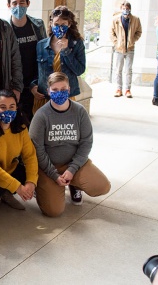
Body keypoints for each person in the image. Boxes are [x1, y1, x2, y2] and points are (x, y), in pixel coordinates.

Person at [29, 72, 111, 217]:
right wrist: (54, 175)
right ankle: (44, 188)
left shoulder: (79, 111)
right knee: (53, 211)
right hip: (49, 167)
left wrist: (72, 169)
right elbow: (37, 150)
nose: (59, 93)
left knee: (102, 187)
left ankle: (74, 184)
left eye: (63, 89)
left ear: (69, 89)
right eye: (54, 90)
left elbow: (86, 142)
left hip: (74, 164)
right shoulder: (41, 116)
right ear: (48, 91)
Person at [0, 89, 38, 216]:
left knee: (27, 173)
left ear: (17, 108)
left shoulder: (21, 129)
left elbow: (30, 156)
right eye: (3, 107)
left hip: (8, 170)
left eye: (12, 107)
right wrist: (18, 187)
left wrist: (30, 183)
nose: (8, 110)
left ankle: (6, 194)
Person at [31, 6, 86, 114]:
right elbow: (36, 71)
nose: (59, 28)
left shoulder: (76, 44)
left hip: (66, 97)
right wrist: (33, 86)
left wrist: (66, 51)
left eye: (63, 25)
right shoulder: (41, 45)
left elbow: (80, 70)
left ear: (69, 24)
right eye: (56, 24)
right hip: (44, 97)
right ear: (51, 23)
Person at [7, 0, 47, 121]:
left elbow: (45, 57)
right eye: (14, 3)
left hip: (35, 87)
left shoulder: (38, 25)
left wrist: (36, 85)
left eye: (22, 2)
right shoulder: (4, 29)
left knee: (35, 126)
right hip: (13, 88)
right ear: (8, 5)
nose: (18, 6)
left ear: (28, 4)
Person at [110, 1, 143, 98]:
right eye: (124, 8)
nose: (125, 10)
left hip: (130, 48)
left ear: (130, 9)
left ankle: (128, 89)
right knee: (118, 69)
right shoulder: (115, 20)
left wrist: (133, 40)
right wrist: (116, 43)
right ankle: (118, 88)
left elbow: (139, 32)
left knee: (128, 69)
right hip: (119, 49)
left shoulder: (135, 19)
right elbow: (111, 33)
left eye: (127, 8)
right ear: (121, 9)